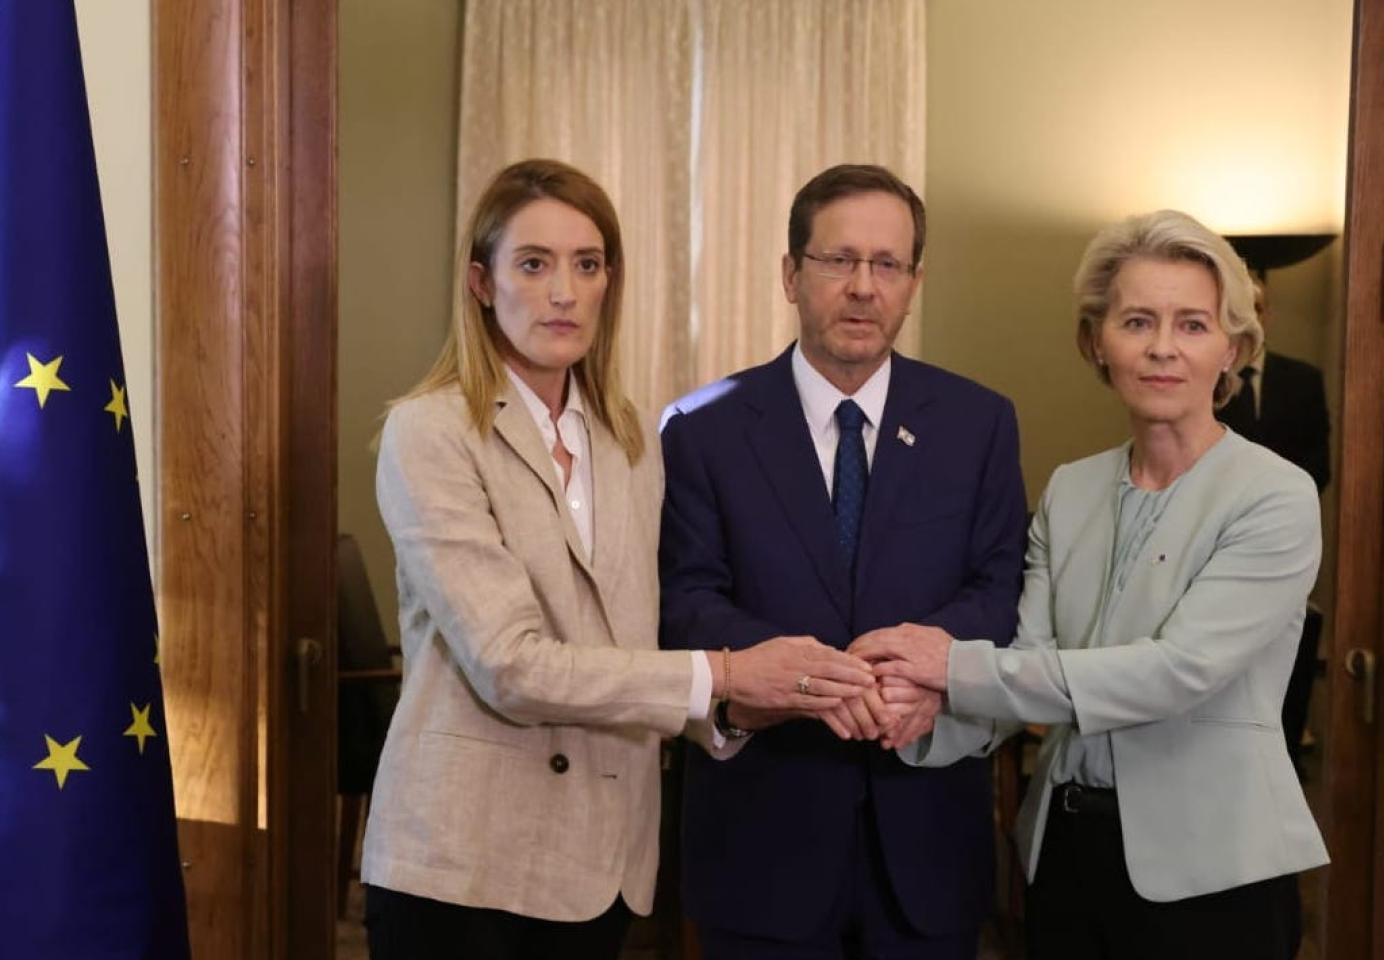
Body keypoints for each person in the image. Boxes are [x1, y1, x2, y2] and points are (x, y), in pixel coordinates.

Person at [360, 158, 875, 960]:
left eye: (588, 264)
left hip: (603, 861)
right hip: (463, 864)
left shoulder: (631, 439)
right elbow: (509, 665)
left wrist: (757, 701)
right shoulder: (429, 433)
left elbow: (637, 646)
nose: (564, 292)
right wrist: (729, 673)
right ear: (482, 284)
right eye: (535, 264)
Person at [856, 209, 1329, 959]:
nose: (1163, 347)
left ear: (1233, 348)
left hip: (1213, 874)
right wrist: (915, 712)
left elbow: (1177, 672)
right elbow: (1029, 660)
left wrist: (950, 667)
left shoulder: (1276, 495)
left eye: (1193, 325)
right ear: (1096, 342)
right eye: (1137, 321)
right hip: (1066, 857)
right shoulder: (1071, 490)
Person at [658, 163, 1028, 958]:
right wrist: (809, 679)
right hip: (761, 842)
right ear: (791, 275)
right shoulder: (700, 429)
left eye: (887, 264)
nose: (864, 287)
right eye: (839, 260)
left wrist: (915, 668)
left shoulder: (979, 423)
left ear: (913, 282)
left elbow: (1001, 588)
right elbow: (686, 600)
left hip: (927, 836)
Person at [1218, 281, 1333, 761]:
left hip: (1284, 531)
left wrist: (1278, 508)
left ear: (1268, 314)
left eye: (1258, 307)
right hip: (1217, 534)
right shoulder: (1207, 378)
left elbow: (1318, 460)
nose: (1251, 315)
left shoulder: (1301, 378)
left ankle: (1282, 748)